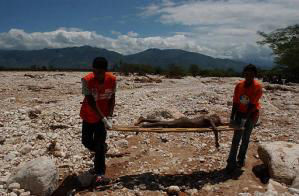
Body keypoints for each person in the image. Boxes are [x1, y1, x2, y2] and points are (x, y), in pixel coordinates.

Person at [79, 57, 116, 184]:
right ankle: (101, 148)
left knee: (99, 145)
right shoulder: (86, 80)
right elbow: (90, 101)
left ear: (105, 70)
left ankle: (100, 172)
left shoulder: (112, 79)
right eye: (95, 71)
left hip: (103, 117)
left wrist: (109, 116)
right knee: (86, 142)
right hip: (88, 115)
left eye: (100, 72)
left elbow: (112, 98)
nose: (97, 75)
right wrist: (104, 118)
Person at [226, 64, 263, 174]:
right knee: (236, 139)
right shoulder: (239, 86)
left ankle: (241, 160)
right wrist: (232, 116)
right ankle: (231, 161)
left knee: (245, 139)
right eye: (246, 74)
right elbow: (236, 102)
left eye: (251, 74)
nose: (248, 76)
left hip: (251, 115)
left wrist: (244, 120)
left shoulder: (257, 87)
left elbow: (252, 105)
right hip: (239, 114)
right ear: (244, 74)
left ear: (255, 75)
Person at [134, 114, 224, 149]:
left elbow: (219, 125)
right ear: (214, 119)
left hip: (185, 122)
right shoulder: (208, 118)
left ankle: (143, 119)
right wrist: (216, 142)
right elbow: (215, 129)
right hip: (184, 122)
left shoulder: (209, 119)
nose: (216, 123)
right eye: (217, 121)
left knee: (164, 123)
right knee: (165, 124)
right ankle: (144, 124)